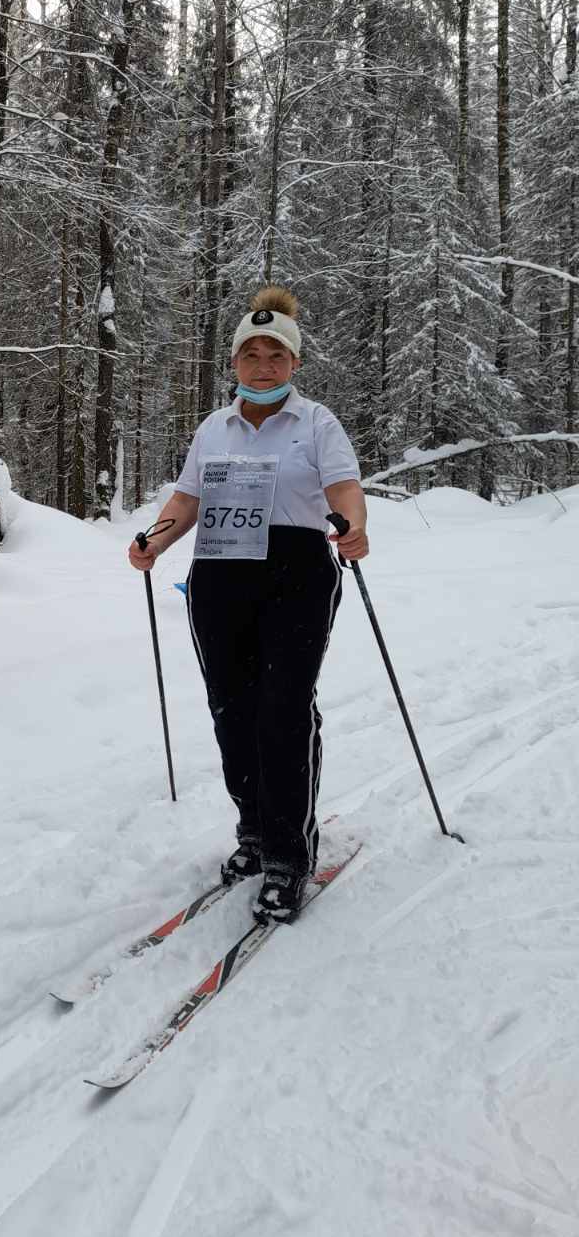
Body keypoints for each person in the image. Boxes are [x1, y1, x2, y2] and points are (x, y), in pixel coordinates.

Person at [128, 286, 368, 924]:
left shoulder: (316, 423)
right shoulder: (214, 427)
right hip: (221, 574)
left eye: (275, 355)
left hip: (296, 573)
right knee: (232, 709)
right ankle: (255, 833)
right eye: (250, 354)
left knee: (284, 707)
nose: (262, 365)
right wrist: (154, 538)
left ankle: (290, 854)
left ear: (293, 363)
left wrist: (351, 523)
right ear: (234, 363)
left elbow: (344, 486)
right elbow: (187, 500)